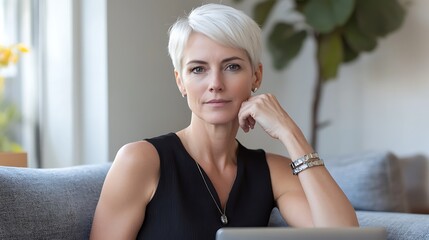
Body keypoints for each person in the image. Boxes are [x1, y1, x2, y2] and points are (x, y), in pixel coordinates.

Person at [90, 3, 358, 240]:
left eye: (232, 66)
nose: (215, 84)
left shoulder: (273, 172)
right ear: (180, 81)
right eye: (198, 69)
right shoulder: (141, 160)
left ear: (256, 76)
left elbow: (345, 237)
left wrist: (290, 132)